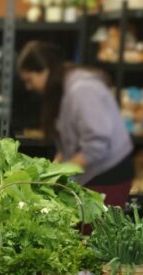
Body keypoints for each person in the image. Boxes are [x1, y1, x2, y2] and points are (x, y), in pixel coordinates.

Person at [18, 41, 134, 206]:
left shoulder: (82, 89)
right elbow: (68, 143)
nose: (28, 87)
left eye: (30, 80)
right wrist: (51, 171)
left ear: (45, 70)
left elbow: (97, 144)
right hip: (93, 172)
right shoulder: (63, 89)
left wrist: (62, 173)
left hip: (108, 174)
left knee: (96, 230)